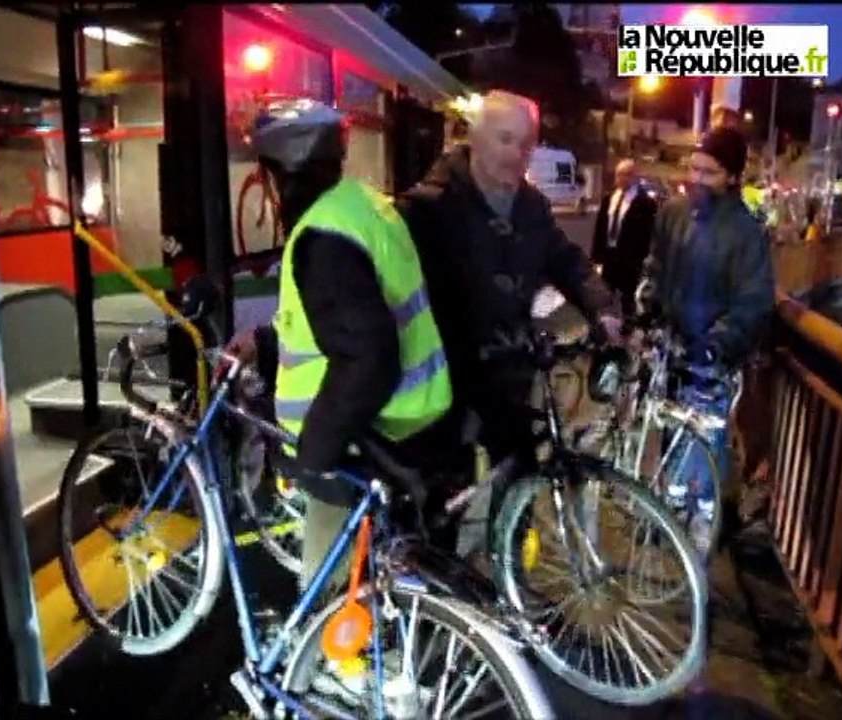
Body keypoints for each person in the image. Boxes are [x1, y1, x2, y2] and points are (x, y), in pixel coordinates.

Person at [225, 100, 462, 589]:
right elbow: (338, 319)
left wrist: (316, 450)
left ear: (284, 172)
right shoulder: (361, 205)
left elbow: (366, 355)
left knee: (327, 590)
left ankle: (335, 638)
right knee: (389, 574)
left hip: (370, 434)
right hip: (414, 420)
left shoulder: (323, 239)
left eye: (266, 172)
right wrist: (265, 342)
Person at [396, 89, 619, 467]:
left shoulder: (532, 206)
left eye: (526, 145)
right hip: (445, 383)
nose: (517, 153)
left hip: (511, 376)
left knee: (518, 476)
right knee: (448, 487)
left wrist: (603, 309)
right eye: (505, 139)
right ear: (475, 138)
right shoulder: (428, 208)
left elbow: (567, 260)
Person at [636, 125, 775, 556]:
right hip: (672, 349)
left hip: (712, 359)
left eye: (709, 172)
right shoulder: (673, 213)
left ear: (732, 176)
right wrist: (647, 300)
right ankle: (670, 513)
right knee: (671, 437)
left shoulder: (746, 232)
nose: (696, 179)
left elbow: (753, 301)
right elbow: (656, 266)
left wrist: (718, 342)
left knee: (706, 446)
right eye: (694, 168)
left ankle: (701, 523)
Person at [590, 159, 657, 317]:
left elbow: (648, 233)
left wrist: (643, 258)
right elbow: (601, 227)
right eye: (619, 174)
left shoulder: (645, 203)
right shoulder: (609, 199)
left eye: (626, 175)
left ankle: (628, 323)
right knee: (605, 294)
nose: (622, 178)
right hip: (610, 256)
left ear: (634, 176)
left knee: (628, 297)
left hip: (630, 259)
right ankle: (605, 322)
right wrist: (596, 255)